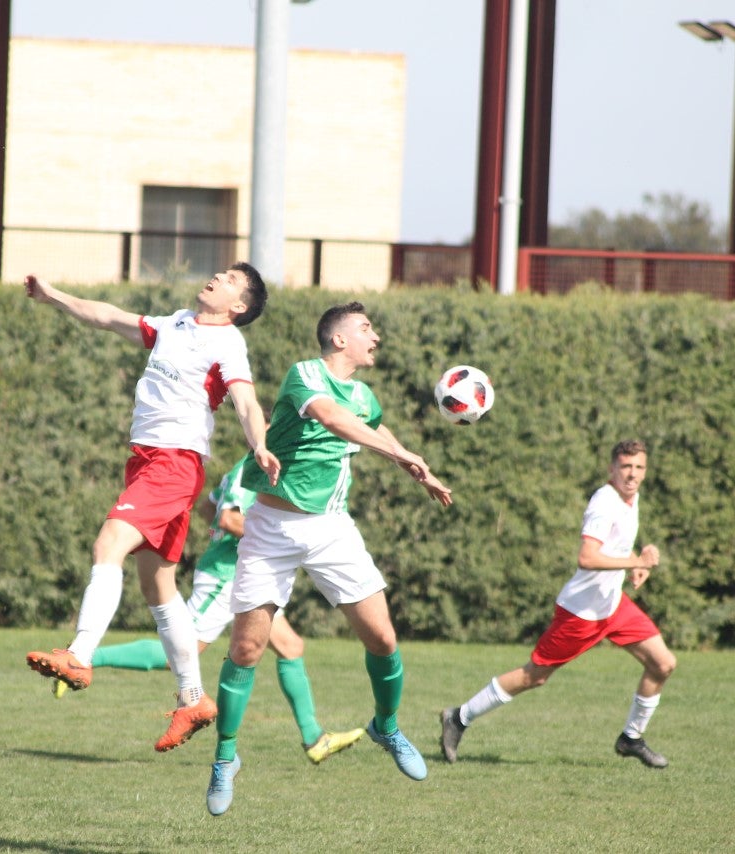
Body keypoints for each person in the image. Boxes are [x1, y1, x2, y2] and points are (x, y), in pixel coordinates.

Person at [205, 301, 454, 816]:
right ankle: (225, 757)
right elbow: (334, 418)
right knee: (247, 649)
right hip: (271, 528)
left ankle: (386, 726)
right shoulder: (305, 376)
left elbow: (372, 425)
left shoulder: (365, 394)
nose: (376, 337)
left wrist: (415, 465)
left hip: (331, 529)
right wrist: (399, 456)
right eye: (367, 329)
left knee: (383, 637)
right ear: (339, 340)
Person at [22, 266, 281, 753]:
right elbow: (106, 316)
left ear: (238, 306)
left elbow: (246, 402)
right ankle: (192, 698)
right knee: (158, 585)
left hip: (174, 462)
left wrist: (260, 445)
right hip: (147, 461)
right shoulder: (176, 322)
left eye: (227, 280)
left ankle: (79, 654)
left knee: (109, 543)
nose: (215, 278)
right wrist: (52, 295)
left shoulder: (227, 345)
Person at [66, 451, 365, 765]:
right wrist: (280, 538)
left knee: (290, 646)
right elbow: (227, 517)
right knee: (180, 654)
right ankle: (83, 659)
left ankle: (315, 738)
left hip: (249, 573)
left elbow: (210, 506)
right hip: (226, 576)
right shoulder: (251, 468)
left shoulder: (263, 468)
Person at [439, 439, 677, 769]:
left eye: (638, 467)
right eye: (625, 467)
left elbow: (617, 546)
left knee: (663, 664)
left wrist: (636, 564)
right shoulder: (604, 502)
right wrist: (633, 560)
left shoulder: (631, 498)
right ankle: (458, 718)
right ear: (611, 469)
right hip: (581, 613)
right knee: (532, 677)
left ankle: (631, 739)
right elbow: (587, 557)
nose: (632, 474)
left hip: (612, 607)